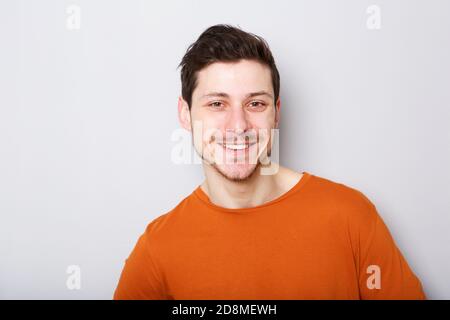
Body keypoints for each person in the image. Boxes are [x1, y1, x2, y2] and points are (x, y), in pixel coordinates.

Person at [113, 24, 426, 300]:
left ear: (276, 112)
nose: (238, 126)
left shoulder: (351, 217)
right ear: (185, 114)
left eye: (255, 103)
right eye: (217, 104)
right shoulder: (158, 250)